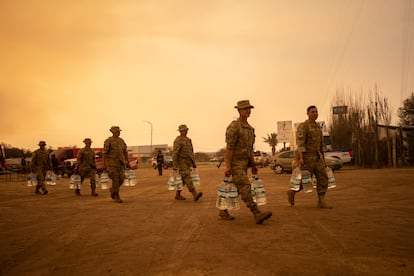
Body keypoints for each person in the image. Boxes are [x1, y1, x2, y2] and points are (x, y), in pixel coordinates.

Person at [220, 100, 272, 224]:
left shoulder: (250, 129)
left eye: (249, 109)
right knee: (245, 186)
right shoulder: (234, 126)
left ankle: (223, 210)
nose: (247, 111)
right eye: (244, 109)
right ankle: (256, 213)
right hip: (235, 162)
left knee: (238, 188)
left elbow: (250, 149)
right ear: (238, 111)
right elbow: (230, 148)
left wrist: (253, 164)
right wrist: (228, 166)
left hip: (245, 163)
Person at [287, 105, 333, 209]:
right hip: (307, 157)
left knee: (323, 178)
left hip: (317, 157)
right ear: (307, 113)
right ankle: (292, 192)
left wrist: (323, 157)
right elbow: (301, 144)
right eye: (313, 112)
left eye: (316, 112)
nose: (315, 113)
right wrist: (301, 158)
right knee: (305, 181)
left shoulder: (317, 126)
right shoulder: (304, 126)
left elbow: (321, 143)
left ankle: (321, 200)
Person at [172, 124, 203, 201]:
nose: (184, 132)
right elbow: (175, 153)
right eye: (182, 131)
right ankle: (194, 193)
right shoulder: (178, 140)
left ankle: (177, 195)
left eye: (185, 130)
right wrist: (175, 164)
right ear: (180, 131)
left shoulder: (188, 140)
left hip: (188, 162)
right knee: (187, 176)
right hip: (181, 161)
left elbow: (191, 151)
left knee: (184, 179)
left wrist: (193, 162)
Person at [103, 126, 130, 203]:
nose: (119, 133)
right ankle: (116, 195)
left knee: (122, 179)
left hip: (120, 163)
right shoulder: (108, 141)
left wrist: (127, 161)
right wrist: (104, 164)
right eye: (117, 131)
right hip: (112, 164)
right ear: (113, 132)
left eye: (119, 131)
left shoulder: (121, 141)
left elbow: (125, 152)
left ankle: (113, 190)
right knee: (115, 180)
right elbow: (105, 153)